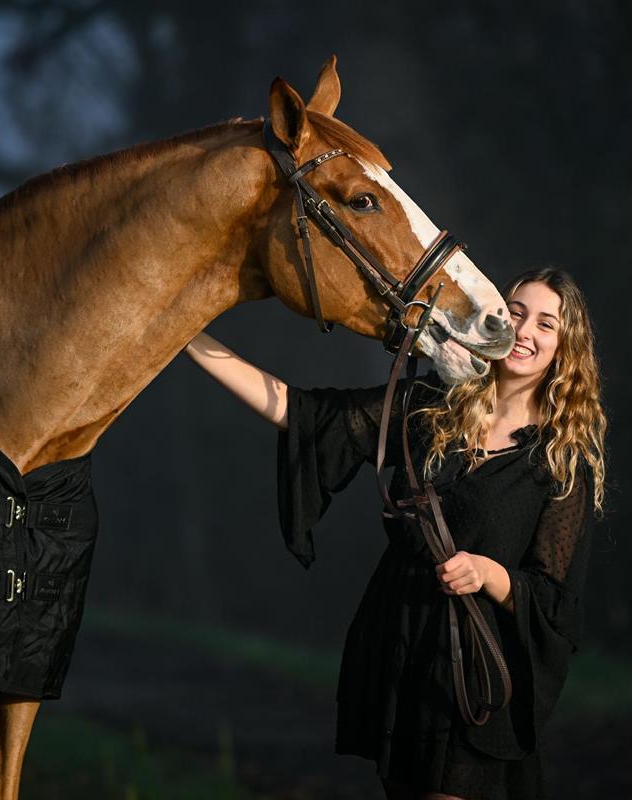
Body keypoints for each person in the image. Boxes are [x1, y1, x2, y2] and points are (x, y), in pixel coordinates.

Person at [184, 267, 607, 800]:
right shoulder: (433, 404)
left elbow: (554, 602)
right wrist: (187, 338)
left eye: (547, 324)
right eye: (516, 313)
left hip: (475, 670)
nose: (525, 332)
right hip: (402, 643)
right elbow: (304, 414)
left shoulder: (559, 462)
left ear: (564, 349)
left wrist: (488, 572)